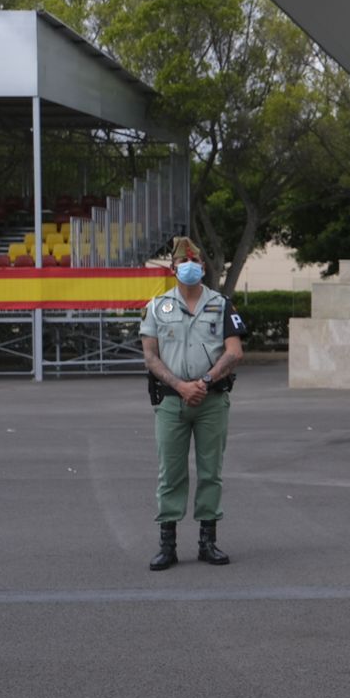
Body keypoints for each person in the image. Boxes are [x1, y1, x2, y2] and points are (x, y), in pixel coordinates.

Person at [140, 237, 246, 571]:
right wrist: (180, 386)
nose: (190, 267)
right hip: (172, 402)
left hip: (211, 400)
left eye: (196, 262)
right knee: (170, 473)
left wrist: (204, 382)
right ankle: (167, 544)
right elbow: (150, 356)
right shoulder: (157, 307)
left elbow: (234, 351)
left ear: (203, 267)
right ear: (173, 269)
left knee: (210, 471)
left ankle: (207, 541)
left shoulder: (221, 304)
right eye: (184, 263)